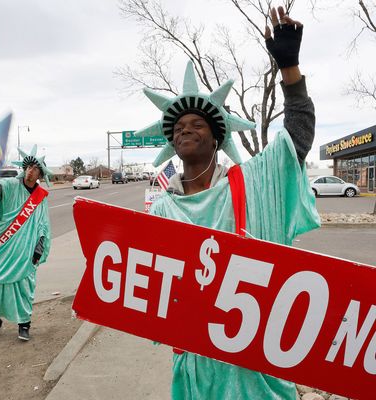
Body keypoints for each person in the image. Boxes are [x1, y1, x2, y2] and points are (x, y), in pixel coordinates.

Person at [134, 6, 320, 400]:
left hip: (255, 369)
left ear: (217, 136)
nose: (186, 130)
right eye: (179, 128)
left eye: (196, 124)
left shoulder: (250, 184)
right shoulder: (162, 211)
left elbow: (297, 139)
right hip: (195, 371)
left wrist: (290, 69)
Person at [0, 145, 52, 341]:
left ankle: (24, 324)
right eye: (27, 167)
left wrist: (40, 245)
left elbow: (43, 224)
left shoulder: (41, 197)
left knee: (24, 286)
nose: (30, 170)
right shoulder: (12, 184)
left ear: (40, 173)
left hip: (26, 250)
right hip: (3, 247)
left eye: (34, 168)